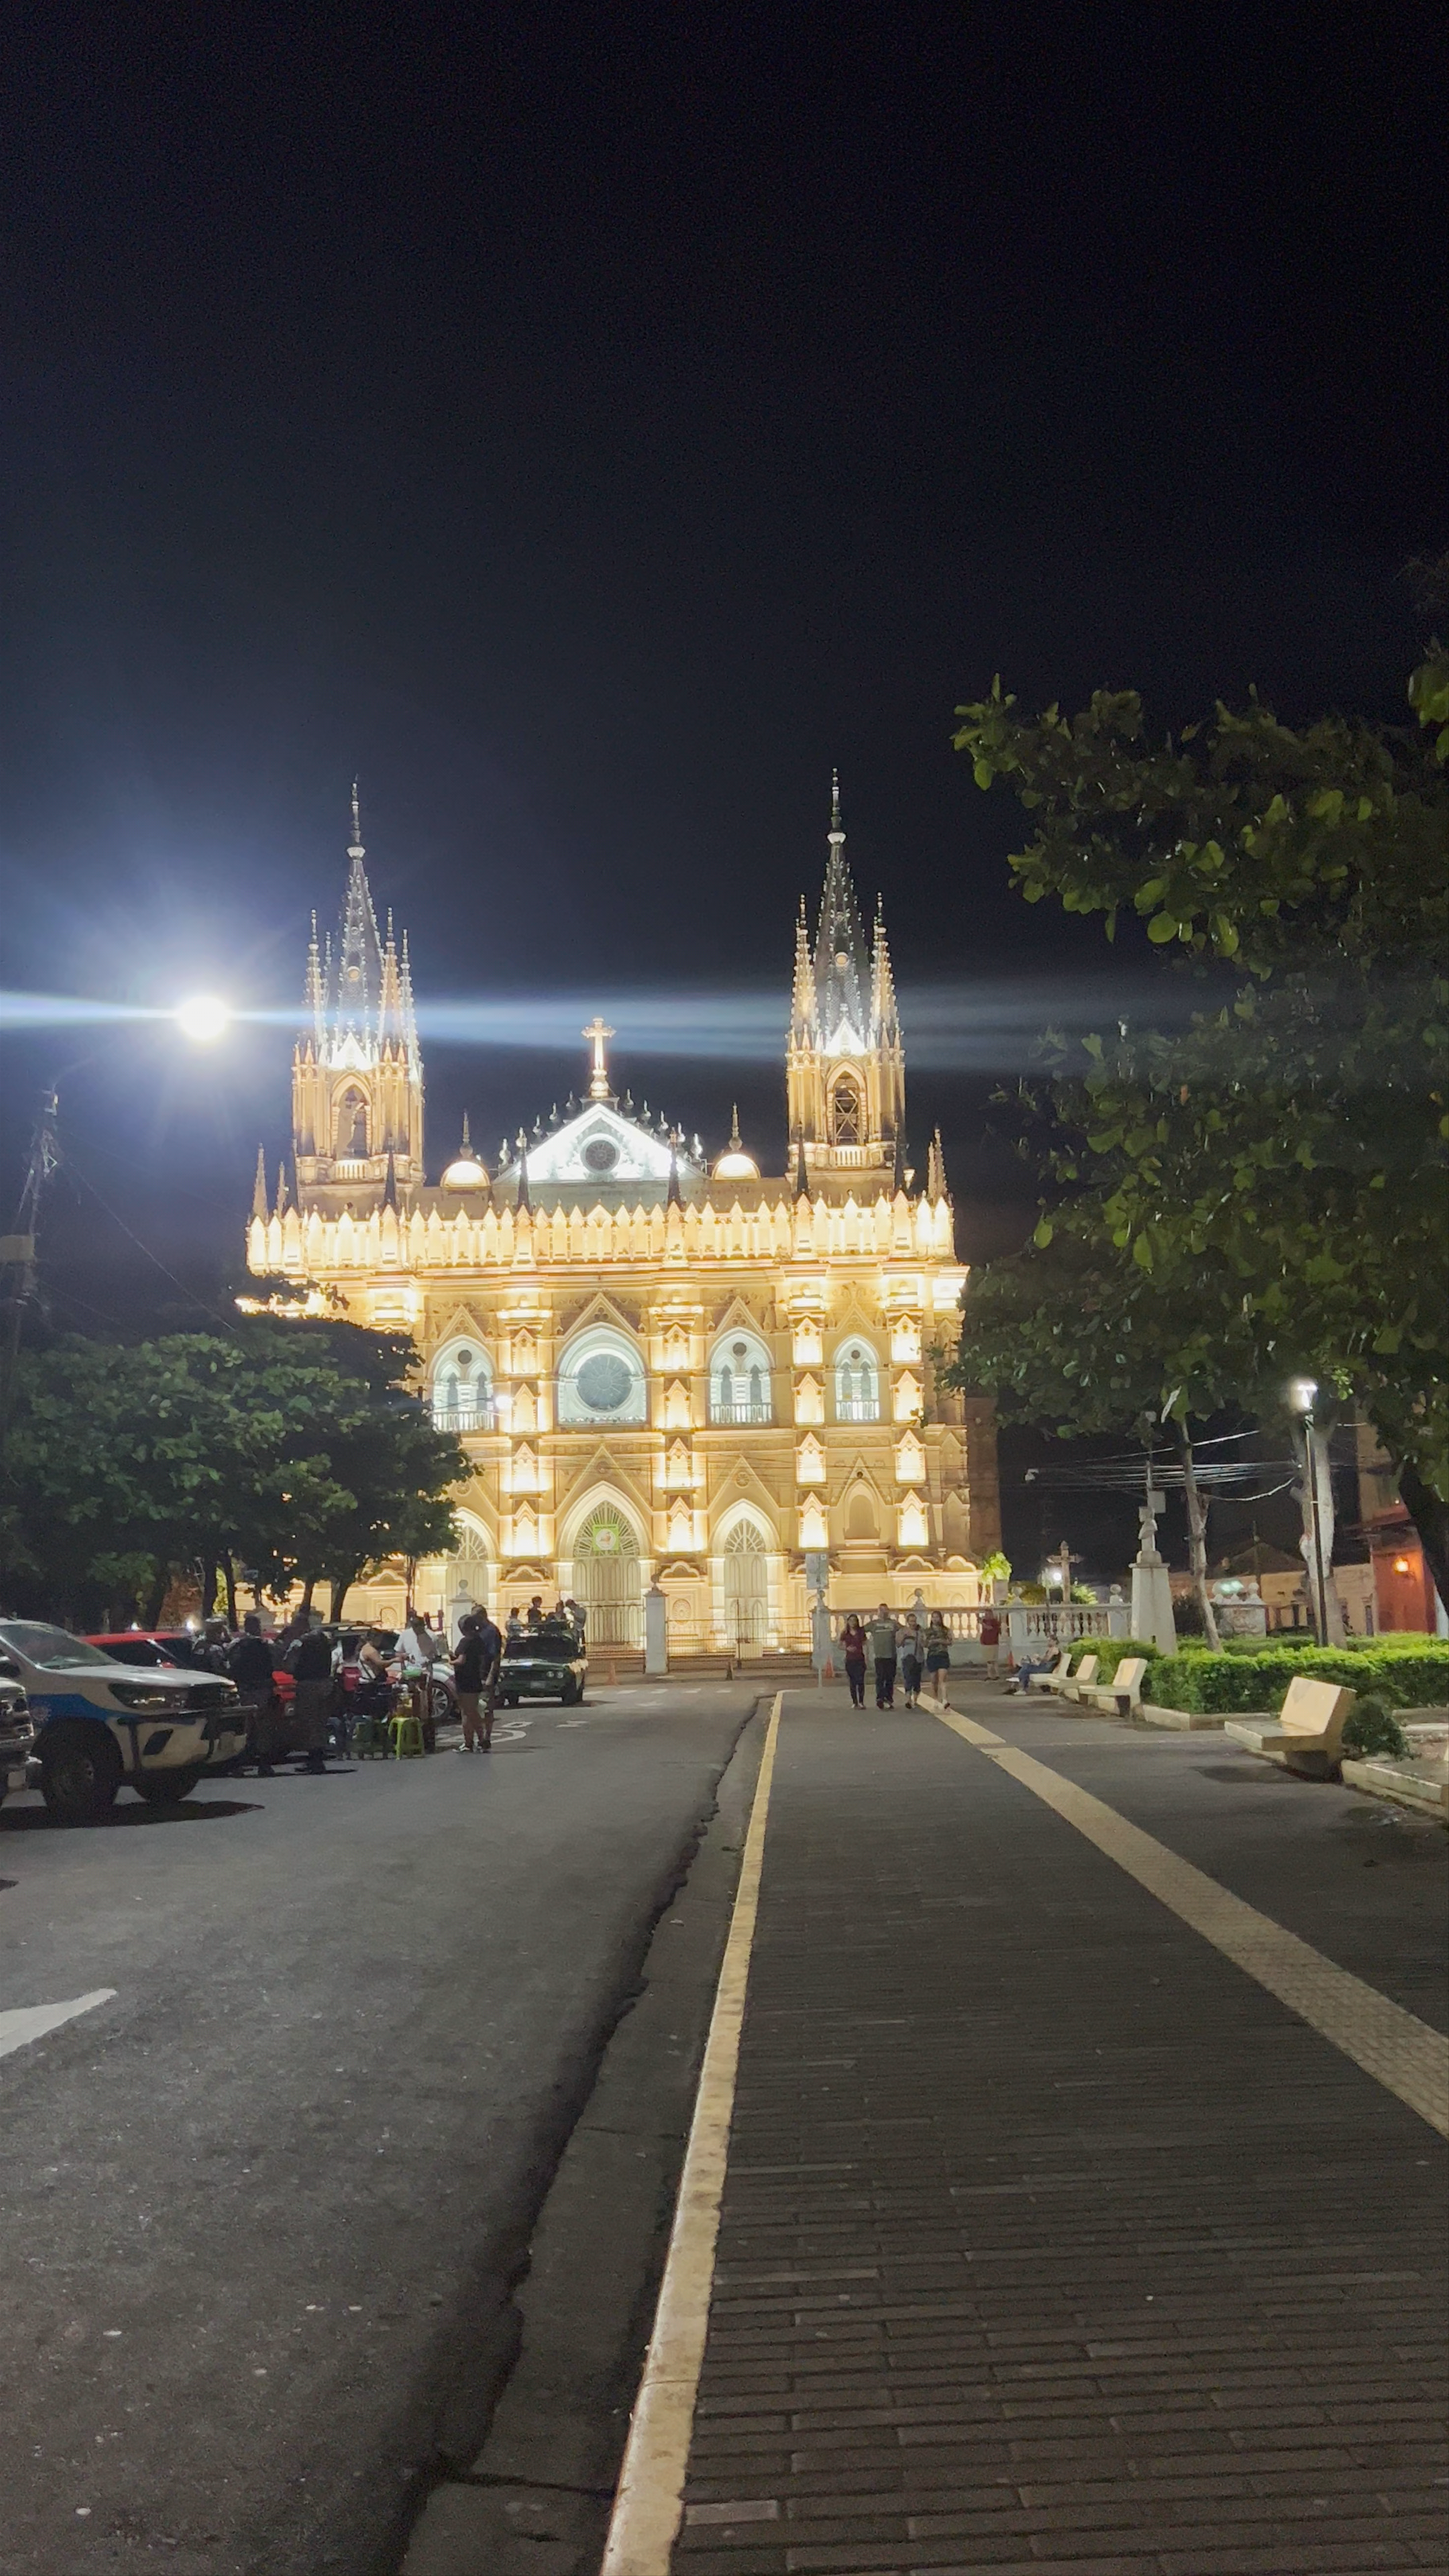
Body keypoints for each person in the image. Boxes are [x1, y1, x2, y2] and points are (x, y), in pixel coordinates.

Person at [230, 1612, 278, 1775]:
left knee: (244, 1728)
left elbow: (230, 1663)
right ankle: (264, 1765)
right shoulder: (267, 1644)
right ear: (258, 1628)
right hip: (263, 1690)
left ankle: (239, 1765)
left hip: (245, 1690)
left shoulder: (237, 1644)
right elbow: (277, 1662)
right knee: (264, 1728)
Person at [453, 1609, 503, 1750]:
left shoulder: (489, 1633)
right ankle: (470, 1742)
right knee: (470, 1711)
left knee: (479, 1710)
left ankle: (484, 1739)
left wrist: (489, 1677)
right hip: (475, 1678)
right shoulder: (479, 1637)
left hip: (477, 1678)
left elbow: (494, 1657)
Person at [291, 1619, 334, 1773]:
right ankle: (318, 1758)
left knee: (308, 1722)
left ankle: (314, 1760)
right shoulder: (325, 1641)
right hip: (325, 1684)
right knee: (320, 1721)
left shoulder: (300, 1642)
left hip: (308, 1685)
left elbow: (289, 1663)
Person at [867, 1604, 899, 1710]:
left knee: (890, 1679)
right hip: (879, 1655)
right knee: (880, 1678)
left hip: (891, 1655)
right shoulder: (874, 1624)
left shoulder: (894, 1624)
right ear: (878, 1612)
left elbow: (905, 1630)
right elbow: (860, 1631)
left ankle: (889, 1699)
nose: (884, 1612)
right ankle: (880, 1698)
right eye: (881, 1610)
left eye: (886, 1610)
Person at [840, 1613, 867, 1709]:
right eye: (851, 1621)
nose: (853, 1622)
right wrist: (847, 1648)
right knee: (852, 1682)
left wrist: (867, 1658)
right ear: (848, 1622)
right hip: (850, 1659)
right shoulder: (845, 1633)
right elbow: (840, 1645)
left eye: (854, 1621)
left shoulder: (861, 1633)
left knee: (860, 1681)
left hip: (860, 1659)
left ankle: (861, 1701)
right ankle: (855, 1702)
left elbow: (865, 1644)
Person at [924, 1613, 952, 1696]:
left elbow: (950, 1642)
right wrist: (933, 1642)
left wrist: (939, 1641)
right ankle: (935, 1699)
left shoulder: (946, 1630)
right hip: (933, 1656)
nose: (935, 1619)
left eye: (937, 1617)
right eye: (934, 1617)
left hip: (943, 1655)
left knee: (943, 1679)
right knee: (934, 1680)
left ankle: (945, 1699)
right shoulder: (928, 1631)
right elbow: (925, 1644)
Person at [900, 1616, 924, 1708]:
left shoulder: (920, 1632)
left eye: (914, 1621)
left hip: (919, 1658)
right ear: (908, 1622)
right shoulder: (904, 1631)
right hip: (907, 1658)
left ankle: (916, 1699)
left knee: (917, 1680)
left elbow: (925, 1644)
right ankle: (908, 1700)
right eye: (911, 1621)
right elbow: (899, 1644)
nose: (913, 1623)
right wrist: (904, 1637)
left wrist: (921, 1638)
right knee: (908, 1679)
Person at [978, 1602, 1002, 1676]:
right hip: (986, 1643)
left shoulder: (995, 1622)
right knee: (989, 1660)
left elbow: (990, 1628)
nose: (986, 1616)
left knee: (992, 1660)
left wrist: (982, 1623)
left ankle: (995, 1675)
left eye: (987, 1614)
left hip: (993, 1643)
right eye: (985, 1614)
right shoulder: (985, 1621)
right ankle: (991, 1675)